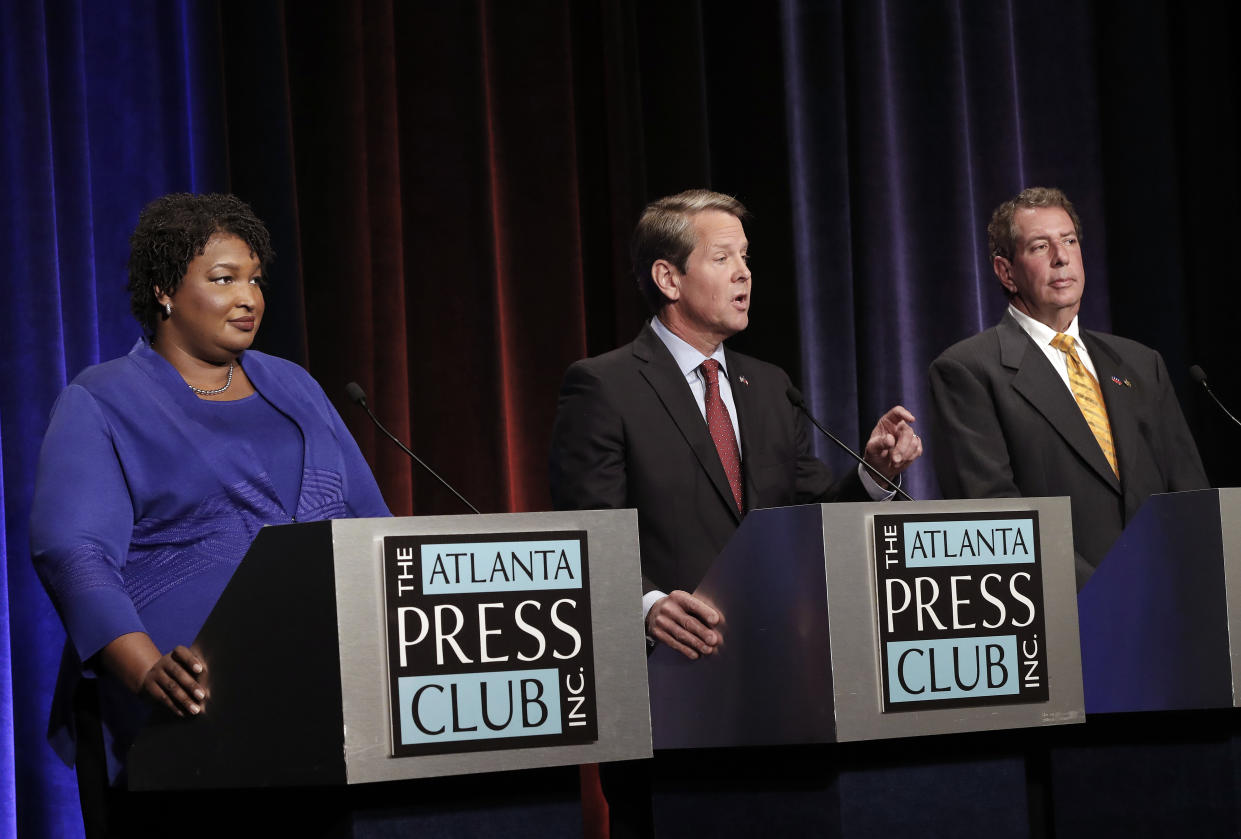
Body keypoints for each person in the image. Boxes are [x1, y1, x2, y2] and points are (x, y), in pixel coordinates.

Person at [30, 193, 390, 836]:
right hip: (178, 725)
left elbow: (370, 528)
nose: (248, 296)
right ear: (166, 289)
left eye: (255, 280)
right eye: (224, 279)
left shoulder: (295, 387)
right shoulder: (101, 400)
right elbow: (73, 551)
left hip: (319, 711)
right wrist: (145, 670)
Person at [928, 186, 1208, 588]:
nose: (1062, 257)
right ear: (1005, 272)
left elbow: (1189, 495)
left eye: (1070, 241)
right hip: (1061, 615)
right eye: (1040, 247)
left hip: (1168, 603)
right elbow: (995, 519)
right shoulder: (968, 371)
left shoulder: (1141, 364)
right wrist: (1106, 594)